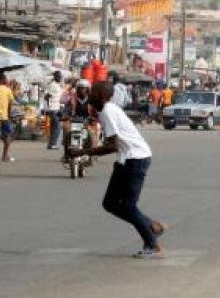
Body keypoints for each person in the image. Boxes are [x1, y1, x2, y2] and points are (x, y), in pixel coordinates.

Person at [66, 81, 167, 259]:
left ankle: (153, 244)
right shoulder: (104, 110)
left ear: (102, 95)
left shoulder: (107, 111)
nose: (90, 93)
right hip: (126, 159)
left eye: (94, 91)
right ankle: (152, 225)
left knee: (128, 205)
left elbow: (113, 145)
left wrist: (82, 152)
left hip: (136, 158)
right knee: (110, 203)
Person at [45, 72, 64, 150]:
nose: (60, 78)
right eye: (59, 77)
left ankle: (51, 144)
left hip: (57, 108)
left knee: (54, 127)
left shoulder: (57, 85)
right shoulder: (52, 85)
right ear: (55, 77)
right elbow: (46, 97)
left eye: (60, 76)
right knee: (57, 127)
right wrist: (49, 108)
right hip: (52, 109)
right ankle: (53, 144)